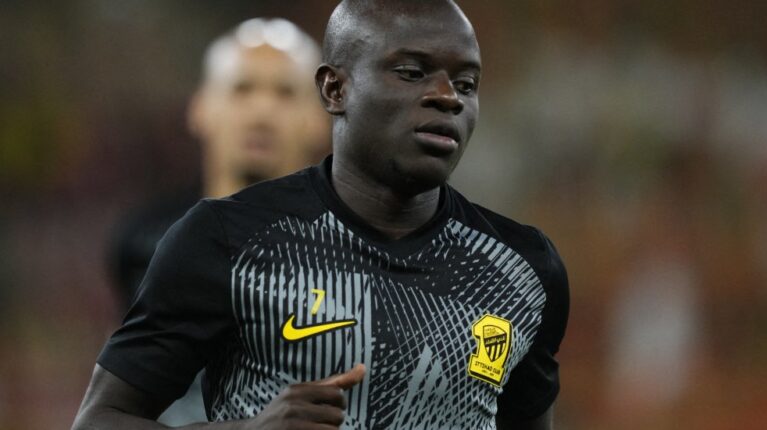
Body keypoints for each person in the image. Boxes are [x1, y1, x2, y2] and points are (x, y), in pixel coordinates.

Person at [74, 1, 569, 429]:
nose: (447, 96)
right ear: (335, 89)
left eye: (466, 82)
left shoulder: (523, 270)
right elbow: (99, 420)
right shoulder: (225, 239)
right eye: (413, 72)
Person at [105, 17, 330, 425]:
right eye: (242, 88)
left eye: (285, 92)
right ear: (201, 107)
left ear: (321, 118)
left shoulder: (354, 246)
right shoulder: (143, 242)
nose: (262, 111)